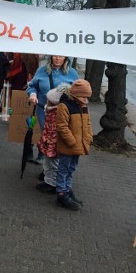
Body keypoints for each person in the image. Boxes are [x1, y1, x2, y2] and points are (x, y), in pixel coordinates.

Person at [27, 55, 79, 166]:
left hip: (62, 111)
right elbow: (32, 86)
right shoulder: (42, 70)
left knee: (57, 138)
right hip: (43, 109)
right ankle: (46, 165)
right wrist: (33, 94)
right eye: (55, 56)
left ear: (66, 58)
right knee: (46, 134)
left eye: (61, 56)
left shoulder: (72, 73)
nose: (57, 58)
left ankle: (52, 167)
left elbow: (78, 92)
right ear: (51, 57)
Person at [54, 79, 93, 211]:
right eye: (83, 97)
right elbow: (62, 126)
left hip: (78, 145)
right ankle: (61, 193)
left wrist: (88, 138)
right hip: (69, 145)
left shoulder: (83, 106)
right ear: (76, 95)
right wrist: (72, 141)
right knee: (63, 169)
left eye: (87, 97)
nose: (85, 100)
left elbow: (87, 124)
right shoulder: (64, 106)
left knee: (71, 169)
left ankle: (67, 190)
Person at [35, 85, 67, 194]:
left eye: (49, 101)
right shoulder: (50, 111)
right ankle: (48, 181)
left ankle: (53, 184)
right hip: (48, 140)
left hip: (53, 143)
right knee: (47, 164)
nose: (47, 102)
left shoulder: (59, 112)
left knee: (53, 164)